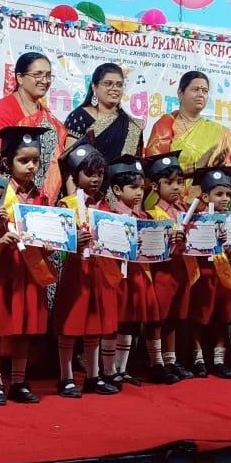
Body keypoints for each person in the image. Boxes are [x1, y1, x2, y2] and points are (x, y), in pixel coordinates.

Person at [0, 126, 55, 405]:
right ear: (7, 161)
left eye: (35, 160)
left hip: (30, 271)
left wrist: (50, 244)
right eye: (24, 160)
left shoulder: (41, 197)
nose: (31, 166)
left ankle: (19, 382)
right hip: (4, 268)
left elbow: (48, 233)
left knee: (24, 326)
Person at [51, 136, 120, 397]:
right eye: (89, 173)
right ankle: (66, 378)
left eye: (99, 174)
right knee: (69, 325)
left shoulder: (106, 206)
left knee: (94, 324)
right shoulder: (65, 205)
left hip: (100, 272)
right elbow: (55, 241)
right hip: (75, 272)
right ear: (75, 175)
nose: (95, 179)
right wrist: (73, 240)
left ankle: (93, 376)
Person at [0, 52, 68, 203]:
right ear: (20, 78)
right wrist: (6, 203)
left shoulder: (47, 116)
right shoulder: (3, 110)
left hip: (41, 201)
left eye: (48, 75)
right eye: (38, 74)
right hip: (9, 199)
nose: (45, 81)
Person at [103, 155, 157, 388]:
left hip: (137, 274)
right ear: (117, 189)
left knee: (130, 321)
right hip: (116, 275)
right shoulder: (111, 214)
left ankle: (122, 369)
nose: (139, 193)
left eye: (141, 188)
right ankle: (108, 370)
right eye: (133, 188)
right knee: (114, 321)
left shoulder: (143, 216)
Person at [142, 150, 194, 383]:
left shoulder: (186, 212)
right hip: (161, 273)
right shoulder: (151, 214)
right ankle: (155, 363)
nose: (176, 187)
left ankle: (170, 360)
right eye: (169, 182)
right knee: (157, 318)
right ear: (155, 186)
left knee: (174, 316)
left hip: (181, 270)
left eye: (180, 182)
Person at [145, 71, 231, 182]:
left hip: (207, 191)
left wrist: (219, 166)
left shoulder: (218, 131)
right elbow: (155, 170)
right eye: (195, 90)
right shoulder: (165, 125)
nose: (201, 94)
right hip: (174, 190)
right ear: (180, 93)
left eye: (205, 91)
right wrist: (195, 167)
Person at [189, 166, 231, 379]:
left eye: (227, 194)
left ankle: (219, 359)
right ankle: (198, 358)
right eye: (219, 194)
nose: (225, 198)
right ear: (205, 197)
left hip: (225, 275)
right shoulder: (196, 220)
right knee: (199, 318)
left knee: (222, 318)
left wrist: (230, 247)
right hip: (204, 275)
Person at [64, 62, 145, 160]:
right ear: (94, 87)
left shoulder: (132, 126)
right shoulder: (79, 117)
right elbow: (69, 160)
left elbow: (135, 164)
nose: (115, 88)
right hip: (88, 170)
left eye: (119, 85)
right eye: (108, 84)